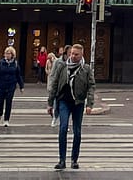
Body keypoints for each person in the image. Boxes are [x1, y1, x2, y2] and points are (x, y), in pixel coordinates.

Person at [46, 42, 96, 170]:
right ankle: (62, 160)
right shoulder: (62, 66)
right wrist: (50, 103)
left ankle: (74, 159)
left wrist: (89, 104)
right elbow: (54, 84)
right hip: (64, 101)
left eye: (76, 54)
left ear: (81, 55)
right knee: (63, 128)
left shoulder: (86, 69)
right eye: (72, 53)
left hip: (78, 102)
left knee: (77, 131)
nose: (73, 56)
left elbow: (91, 86)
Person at [0, 45, 24, 127]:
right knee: (0, 101)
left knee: (9, 102)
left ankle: (6, 119)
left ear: (12, 55)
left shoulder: (15, 64)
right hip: (1, 84)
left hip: (11, 85)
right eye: (6, 53)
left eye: (8, 53)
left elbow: (18, 75)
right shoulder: (1, 63)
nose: (7, 55)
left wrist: (21, 86)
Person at [45, 52, 58, 127]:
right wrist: (48, 72)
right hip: (50, 78)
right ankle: (53, 116)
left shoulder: (57, 62)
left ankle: (55, 118)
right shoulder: (48, 62)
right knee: (51, 99)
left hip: (55, 82)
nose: (49, 59)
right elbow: (46, 69)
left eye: (50, 58)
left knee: (56, 102)